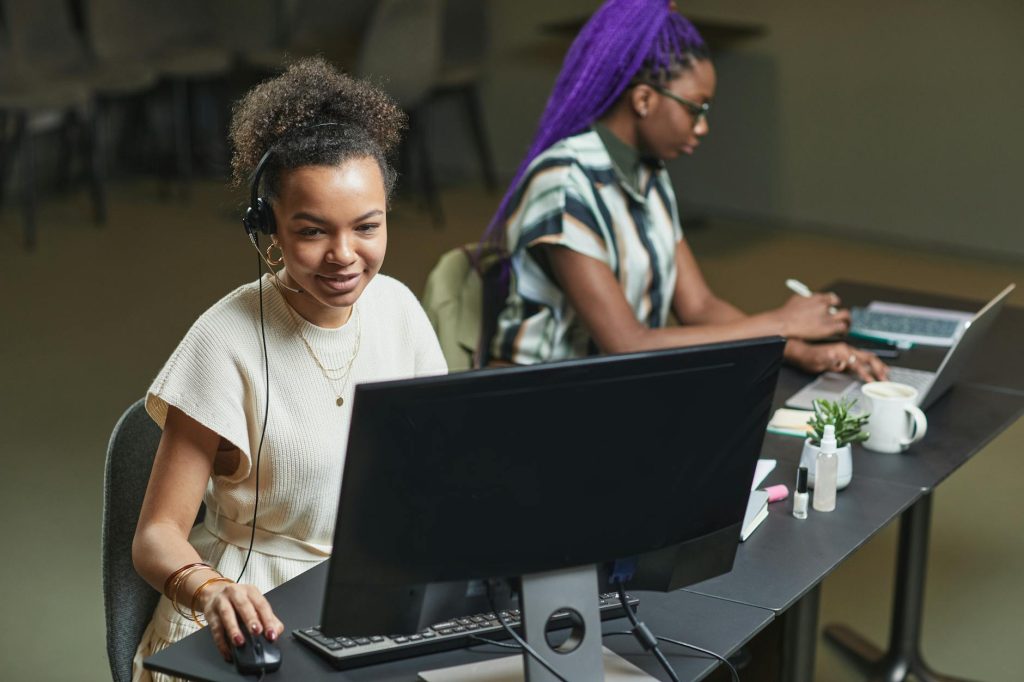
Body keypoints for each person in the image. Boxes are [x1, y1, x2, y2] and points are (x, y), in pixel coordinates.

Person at [130, 58, 447, 680]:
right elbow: (156, 536)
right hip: (254, 614)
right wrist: (211, 590)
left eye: (367, 227)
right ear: (268, 229)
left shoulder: (400, 310)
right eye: (312, 232)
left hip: (368, 603)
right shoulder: (225, 340)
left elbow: (434, 466)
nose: (344, 256)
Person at [485, 0, 887, 382]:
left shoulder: (648, 172)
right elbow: (627, 343)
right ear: (643, 99)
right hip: (544, 406)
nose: (702, 127)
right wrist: (781, 322)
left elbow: (699, 307)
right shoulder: (563, 182)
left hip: (616, 390)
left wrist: (798, 350)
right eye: (696, 109)